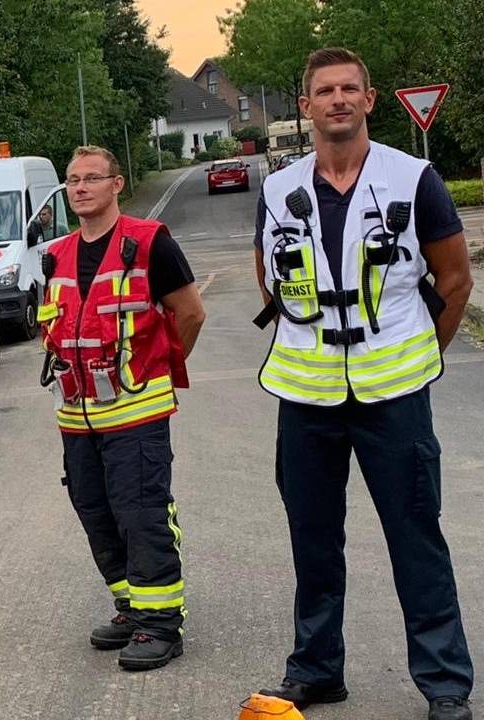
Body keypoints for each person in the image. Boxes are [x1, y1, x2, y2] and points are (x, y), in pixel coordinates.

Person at [252, 48, 475, 720]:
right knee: (312, 538)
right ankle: (317, 670)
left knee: (417, 538)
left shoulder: (414, 179)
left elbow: (456, 280)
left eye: (350, 88)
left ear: (370, 100)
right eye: (325, 90)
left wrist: (416, 356)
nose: (338, 99)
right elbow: (269, 282)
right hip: (306, 398)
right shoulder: (274, 189)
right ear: (306, 106)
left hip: (395, 398)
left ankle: (444, 686)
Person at [37, 146, 205, 671]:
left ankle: (161, 624)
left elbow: (190, 313)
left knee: (142, 514)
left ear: (117, 184)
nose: (81, 188)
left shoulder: (151, 244)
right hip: (77, 417)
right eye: (73, 180)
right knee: (95, 512)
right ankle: (133, 607)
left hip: (136, 414)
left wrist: (154, 369)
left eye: (92, 179)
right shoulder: (55, 255)